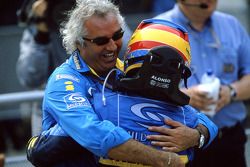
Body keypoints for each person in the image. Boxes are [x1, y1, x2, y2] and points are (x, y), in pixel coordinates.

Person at [26, 17, 218, 166]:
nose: (111, 46)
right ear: (182, 70)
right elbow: (210, 126)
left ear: (133, 54)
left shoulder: (101, 107)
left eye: (117, 36)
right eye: (101, 40)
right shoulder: (186, 120)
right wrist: (196, 137)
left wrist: (33, 145)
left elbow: (39, 152)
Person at [154, 0, 250, 167]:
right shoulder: (157, 29)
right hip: (182, 143)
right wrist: (183, 96)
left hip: (230, 140)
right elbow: (143, 88)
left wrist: (231, 92)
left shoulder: (231, 24)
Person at [16, 0, 132, 136]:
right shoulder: (40, 24)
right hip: (55, 113)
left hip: (106, 103)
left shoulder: (98, 18)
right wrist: (41, 31)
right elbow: (29, 78)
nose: (64, 10)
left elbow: (128, 52)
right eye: (100, 40)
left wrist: (96, 13)